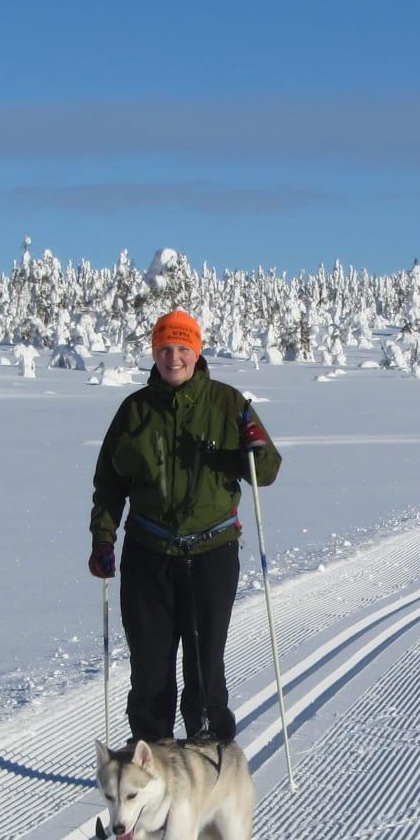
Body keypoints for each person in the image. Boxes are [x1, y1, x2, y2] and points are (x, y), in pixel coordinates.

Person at [89, 308, 280, 745]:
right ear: (155, 353)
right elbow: (109, 482)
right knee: (150, 670)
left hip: (211, 552)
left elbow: (266, 472)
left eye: (182, 348)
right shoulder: (134, 410)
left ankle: (210, 761)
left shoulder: (228, 403)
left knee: (204, 667)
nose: (173, 358)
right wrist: (103, 538)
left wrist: (252, 448)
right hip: (148, 553)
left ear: (197, 352)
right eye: (165, 349)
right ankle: (152, 766)